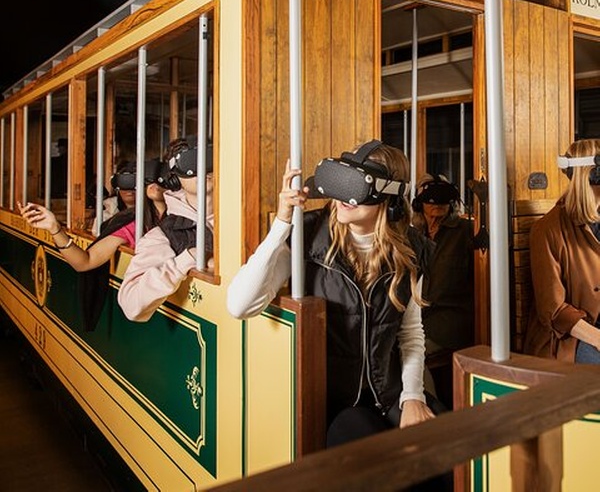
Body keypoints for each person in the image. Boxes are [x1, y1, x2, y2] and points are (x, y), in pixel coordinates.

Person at [227, 140, 438, 448]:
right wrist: (282, 224)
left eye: (358, 186)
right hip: (334, 401)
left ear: (389, 196)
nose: (344, 196)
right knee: (370, 444)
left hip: (389, 392)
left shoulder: (411, 249)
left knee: (442, 443)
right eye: (341, 181)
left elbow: (410, 334)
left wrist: (413, 397)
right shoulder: (308, 236)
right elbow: (239, 305)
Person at [19, 160, 168, 330]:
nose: (155, 183)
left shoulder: (188, 220)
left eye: (162, 176)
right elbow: (85, 262)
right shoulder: (132, 224)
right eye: (148, 178)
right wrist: (55, 228)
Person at [117, 138, 214, 322]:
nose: (203, 168)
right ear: (174, 177)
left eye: (210, 157)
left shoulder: (246, 222)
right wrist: (189, 258)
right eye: (190, 160)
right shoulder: (163, 236)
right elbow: (130, 304)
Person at [524, 138, 600, 364]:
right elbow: (553, 310)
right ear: (593, 176)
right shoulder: (548, 230)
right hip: (571, 339)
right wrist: (598, 338)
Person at [411, 174, 474, 408]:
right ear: (419, 203)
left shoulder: (466, 231)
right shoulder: (412, 234)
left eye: (443, 197)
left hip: (449, 321)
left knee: (411, 354)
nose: (437, 203)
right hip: (417, 318)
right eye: (430, 197)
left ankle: (432, 412)